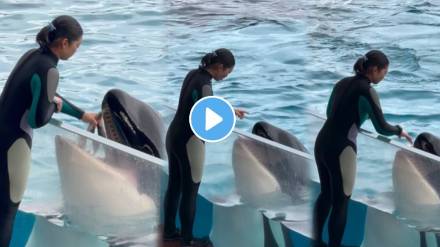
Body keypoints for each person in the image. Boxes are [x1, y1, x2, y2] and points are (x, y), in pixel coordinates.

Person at [0, 15, 99, 246]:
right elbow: (37, 118)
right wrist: (54, 107)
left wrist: (82, 114)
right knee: (6, 212)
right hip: (15, 145)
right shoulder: (50, 70)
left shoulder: (33, 57)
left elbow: (44, 94)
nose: (77, 50)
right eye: (77, 45)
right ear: (64, 42)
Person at [312, 50, 413, 247]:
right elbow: (381, 127)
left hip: (322, 142)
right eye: (384, 72)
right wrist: (399, 131)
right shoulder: (367, 91)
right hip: (343, 149)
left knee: (326, 194)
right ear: (374, 70)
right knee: (341, 203)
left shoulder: (341, 83)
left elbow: (329, 111)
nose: (384, 76)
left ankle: (316, 241)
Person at [163, 48, 246, 247]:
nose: (226, 76)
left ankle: (169, 231)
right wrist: (227, 118)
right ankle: (188, 239)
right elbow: (206, 112)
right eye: (227, 72)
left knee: (174, 186)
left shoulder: (193, 74)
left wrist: (229, 110)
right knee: (190, 190)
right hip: (191, 141)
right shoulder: (206, 85)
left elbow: (201, 103)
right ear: (219, 67)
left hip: (173, 135)